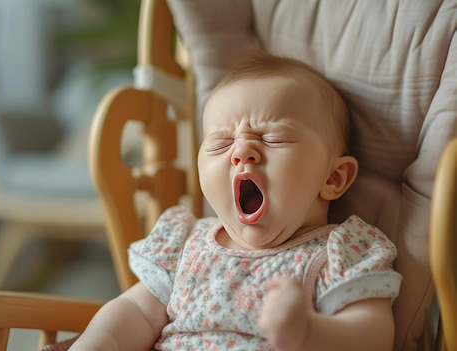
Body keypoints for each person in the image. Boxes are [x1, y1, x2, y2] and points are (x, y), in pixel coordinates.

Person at [68, 51, 402, 351]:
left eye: (273, 138)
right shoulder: (184, 243)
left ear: (333, 178)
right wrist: (100, 342)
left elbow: (372, 335)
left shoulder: (339, 253)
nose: (242, 151)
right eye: (220, 143)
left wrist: (308, 332)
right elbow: (136, 312)